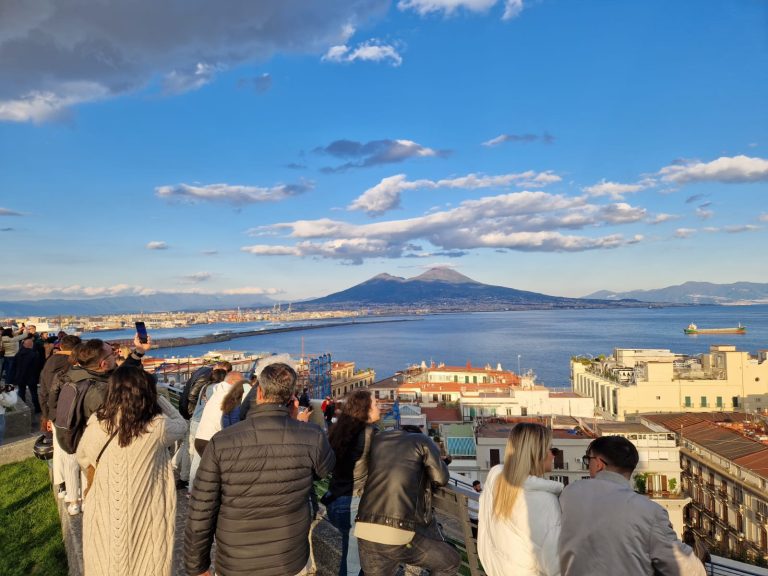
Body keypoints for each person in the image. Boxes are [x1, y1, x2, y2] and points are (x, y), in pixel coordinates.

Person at [185, 362, 335, 576]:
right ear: (291, 397)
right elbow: (324, 468)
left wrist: (197, 566)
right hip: (289, 559)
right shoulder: (312, 436)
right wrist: (296, 422)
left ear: (260, 393)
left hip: (236, 562)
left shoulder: (221, 442)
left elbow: (202, 509)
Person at [76, 365, 186, 576]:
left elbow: (83, 459)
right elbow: (181, 424)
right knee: (146, 561)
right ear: (146, 391)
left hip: (104, 506)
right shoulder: (157, 427)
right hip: (146, 508)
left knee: (105, 560)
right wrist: (157, 399)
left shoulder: (98, 425)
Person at [559, 436, 706, 576]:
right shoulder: (649, 511)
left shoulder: (569, 494)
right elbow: (687, 569)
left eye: (588, 460)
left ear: (598, 464)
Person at [355, 425, 461, 576]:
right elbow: (440, 478)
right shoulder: (421, 440)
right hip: (397, 531)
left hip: (365, 528)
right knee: (450, 561)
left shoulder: (380, 439)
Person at [478, 422, 563, 576]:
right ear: (537, 453)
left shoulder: (496, 479)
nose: (554, 455)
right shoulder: (544, 502)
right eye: (552, 449)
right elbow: (557, 568)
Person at [325, 390, 380, 576]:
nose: (379, 407)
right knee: (353, 566)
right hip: (354, 504)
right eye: (376, 404)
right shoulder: (371, 433)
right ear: (367, 410)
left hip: (334, 501)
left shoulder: (340, 430)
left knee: (352, 558)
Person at [42, 334, 81, 503]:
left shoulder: (49, 362)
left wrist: (47, 414)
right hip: (68, 412)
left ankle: (62, 486)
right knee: (71, 451)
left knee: (59, 449)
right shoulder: (70, 365)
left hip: (54, 412)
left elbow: (43, 390)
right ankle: (73, 488)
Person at [14, 335, 43, 413]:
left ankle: (22, 408)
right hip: (31, 377)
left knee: (21, 392)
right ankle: (37, 408)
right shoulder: (34, 354)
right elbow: (39, 366)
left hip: (20, 376)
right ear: (31, 345)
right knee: (34, 393)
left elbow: (14, 365)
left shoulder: (18, 354)